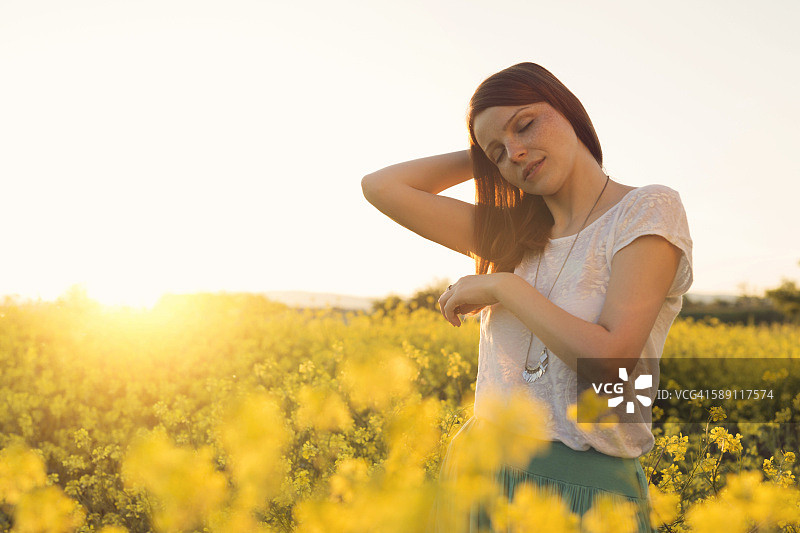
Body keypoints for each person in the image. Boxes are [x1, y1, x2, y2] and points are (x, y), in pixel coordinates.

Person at [361, 62, 692, 532]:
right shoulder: (511, 234)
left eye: (527, 124)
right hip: (481, 468)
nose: (515, 153)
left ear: (570, 112)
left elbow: (612, 359)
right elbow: (382, 187)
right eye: (498, 153)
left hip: (585, 488)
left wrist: (503, 285)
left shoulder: (645, 210)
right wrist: (485, 147)